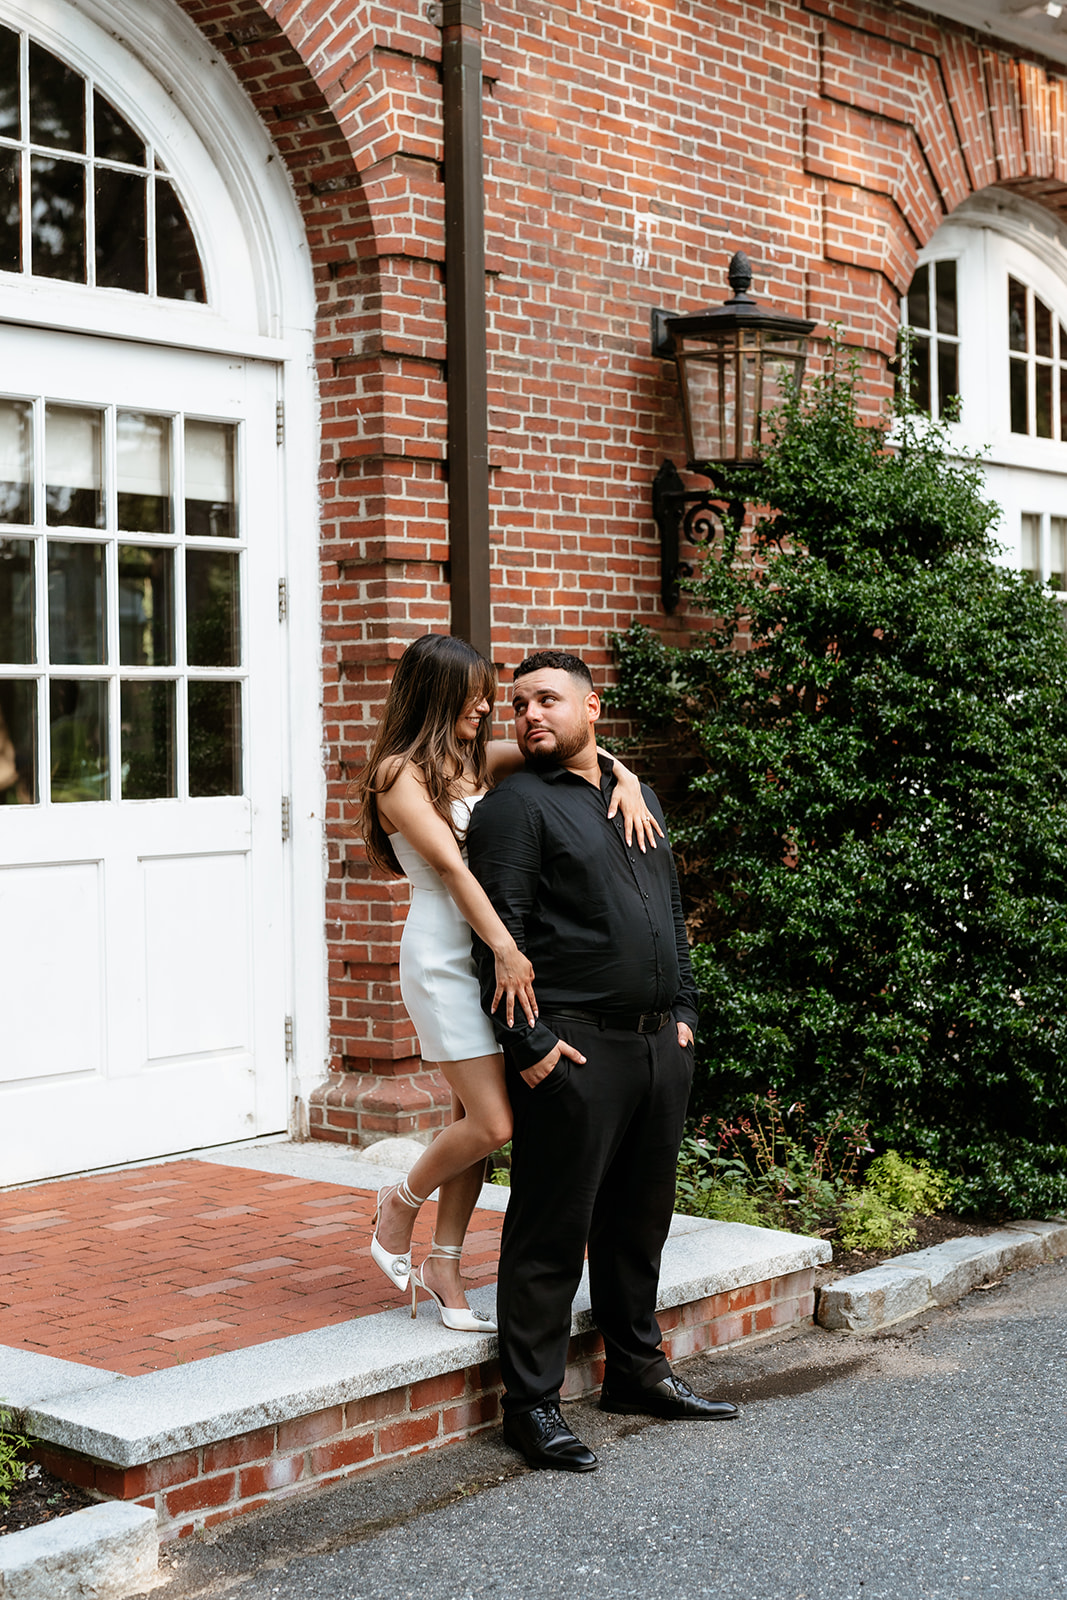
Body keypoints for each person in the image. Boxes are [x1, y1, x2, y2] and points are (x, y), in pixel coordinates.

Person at [466, 649, 739, 1472]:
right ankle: (532, 1406)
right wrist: (532, 1045)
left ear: (592, 706)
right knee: (551, 1230)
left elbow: (671, 914)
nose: (528, 716)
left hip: (659, 1043)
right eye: (517, 706)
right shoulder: (514, 809)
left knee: (637, 1222)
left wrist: (685, 1011)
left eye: (546, 700)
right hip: (575, 1046)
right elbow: (496, 938)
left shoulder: (636, 793)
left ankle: (636, 1371)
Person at [356, 633, 658, 1332]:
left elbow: (576, 748)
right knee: (496, 1121)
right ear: (437, 694)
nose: (491, 707)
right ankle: (397, 1202)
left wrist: (629, 781)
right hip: (443, 960)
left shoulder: (470, 759)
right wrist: (508, 951)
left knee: (471, 1120)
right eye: (475, 695)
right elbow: (455, 871)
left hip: (482, 952)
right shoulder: (396, 773)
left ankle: (446, 1265)